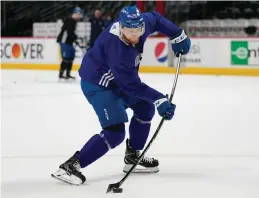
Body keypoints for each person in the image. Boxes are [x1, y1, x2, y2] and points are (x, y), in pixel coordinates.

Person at [51, 6, 191, 185]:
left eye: (138, 30)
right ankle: (71, 166)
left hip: (118, 81)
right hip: (98, 84)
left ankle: (133, 156)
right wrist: (159, 99)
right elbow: (131, 86)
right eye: (130, 31)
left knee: (145, 107)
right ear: (121, 27)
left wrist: (178, 34)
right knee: (115, 133)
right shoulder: (117, 48)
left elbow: (156, 18)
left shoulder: (140, 24)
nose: (135, 35)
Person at [56, 7, 82, 80]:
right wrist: (75, 38)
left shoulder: (73, 21)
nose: (79, 16)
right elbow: (69, 32)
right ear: (74, 14)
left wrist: (75, 39)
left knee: (71, 57)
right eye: (78, 14)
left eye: (79, 14)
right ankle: (61, 74)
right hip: (65, 41)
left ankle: (67, 74)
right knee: (66, 58)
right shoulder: (70, 21)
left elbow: (71, 33)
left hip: (69, 41)